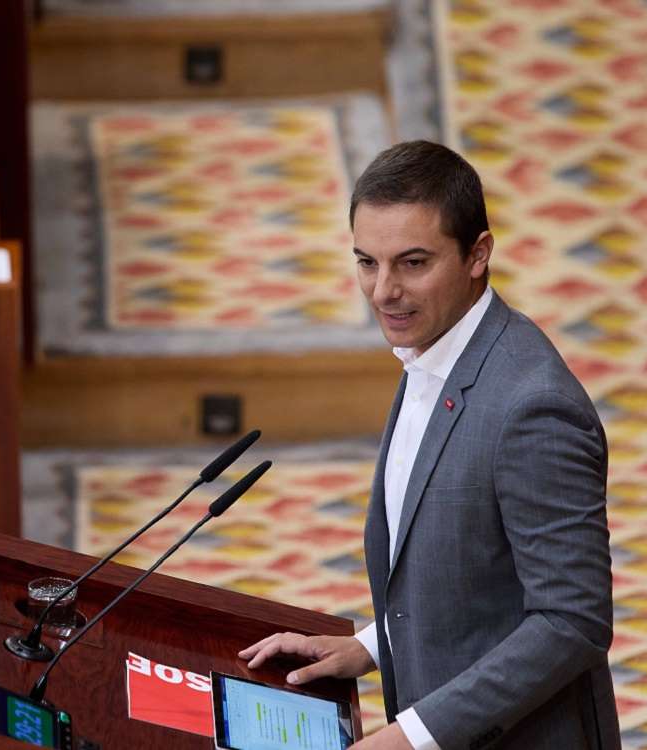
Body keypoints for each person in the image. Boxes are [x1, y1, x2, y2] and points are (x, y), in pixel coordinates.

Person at [239, 141, 619, 749]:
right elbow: (470, 573)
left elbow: (571, 622)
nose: (383, 291)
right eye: (367, 262)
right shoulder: (435, 348)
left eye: (413, 263)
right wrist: (370, 646)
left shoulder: (533, 407)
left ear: (478, 255)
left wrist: (411, 738)